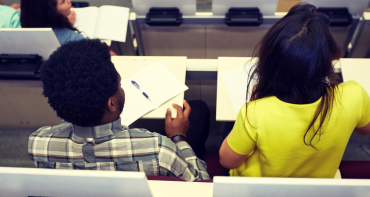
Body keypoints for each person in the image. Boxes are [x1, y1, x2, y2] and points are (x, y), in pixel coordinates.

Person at [219, 3, 370, 178]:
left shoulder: (253, 114)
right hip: (318, 185)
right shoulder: (354, 96)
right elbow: (365, 129)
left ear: (270, 63)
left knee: (230, 122)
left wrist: (252, 105)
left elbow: (227, 161)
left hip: (261, 188)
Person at [28, 38, 210, 182]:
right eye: (119, 83)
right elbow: (201, 185)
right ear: (112, 104)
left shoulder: (38, 144)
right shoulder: (159, 150)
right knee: (200, 111)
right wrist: (178, 137)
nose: (121, 86)